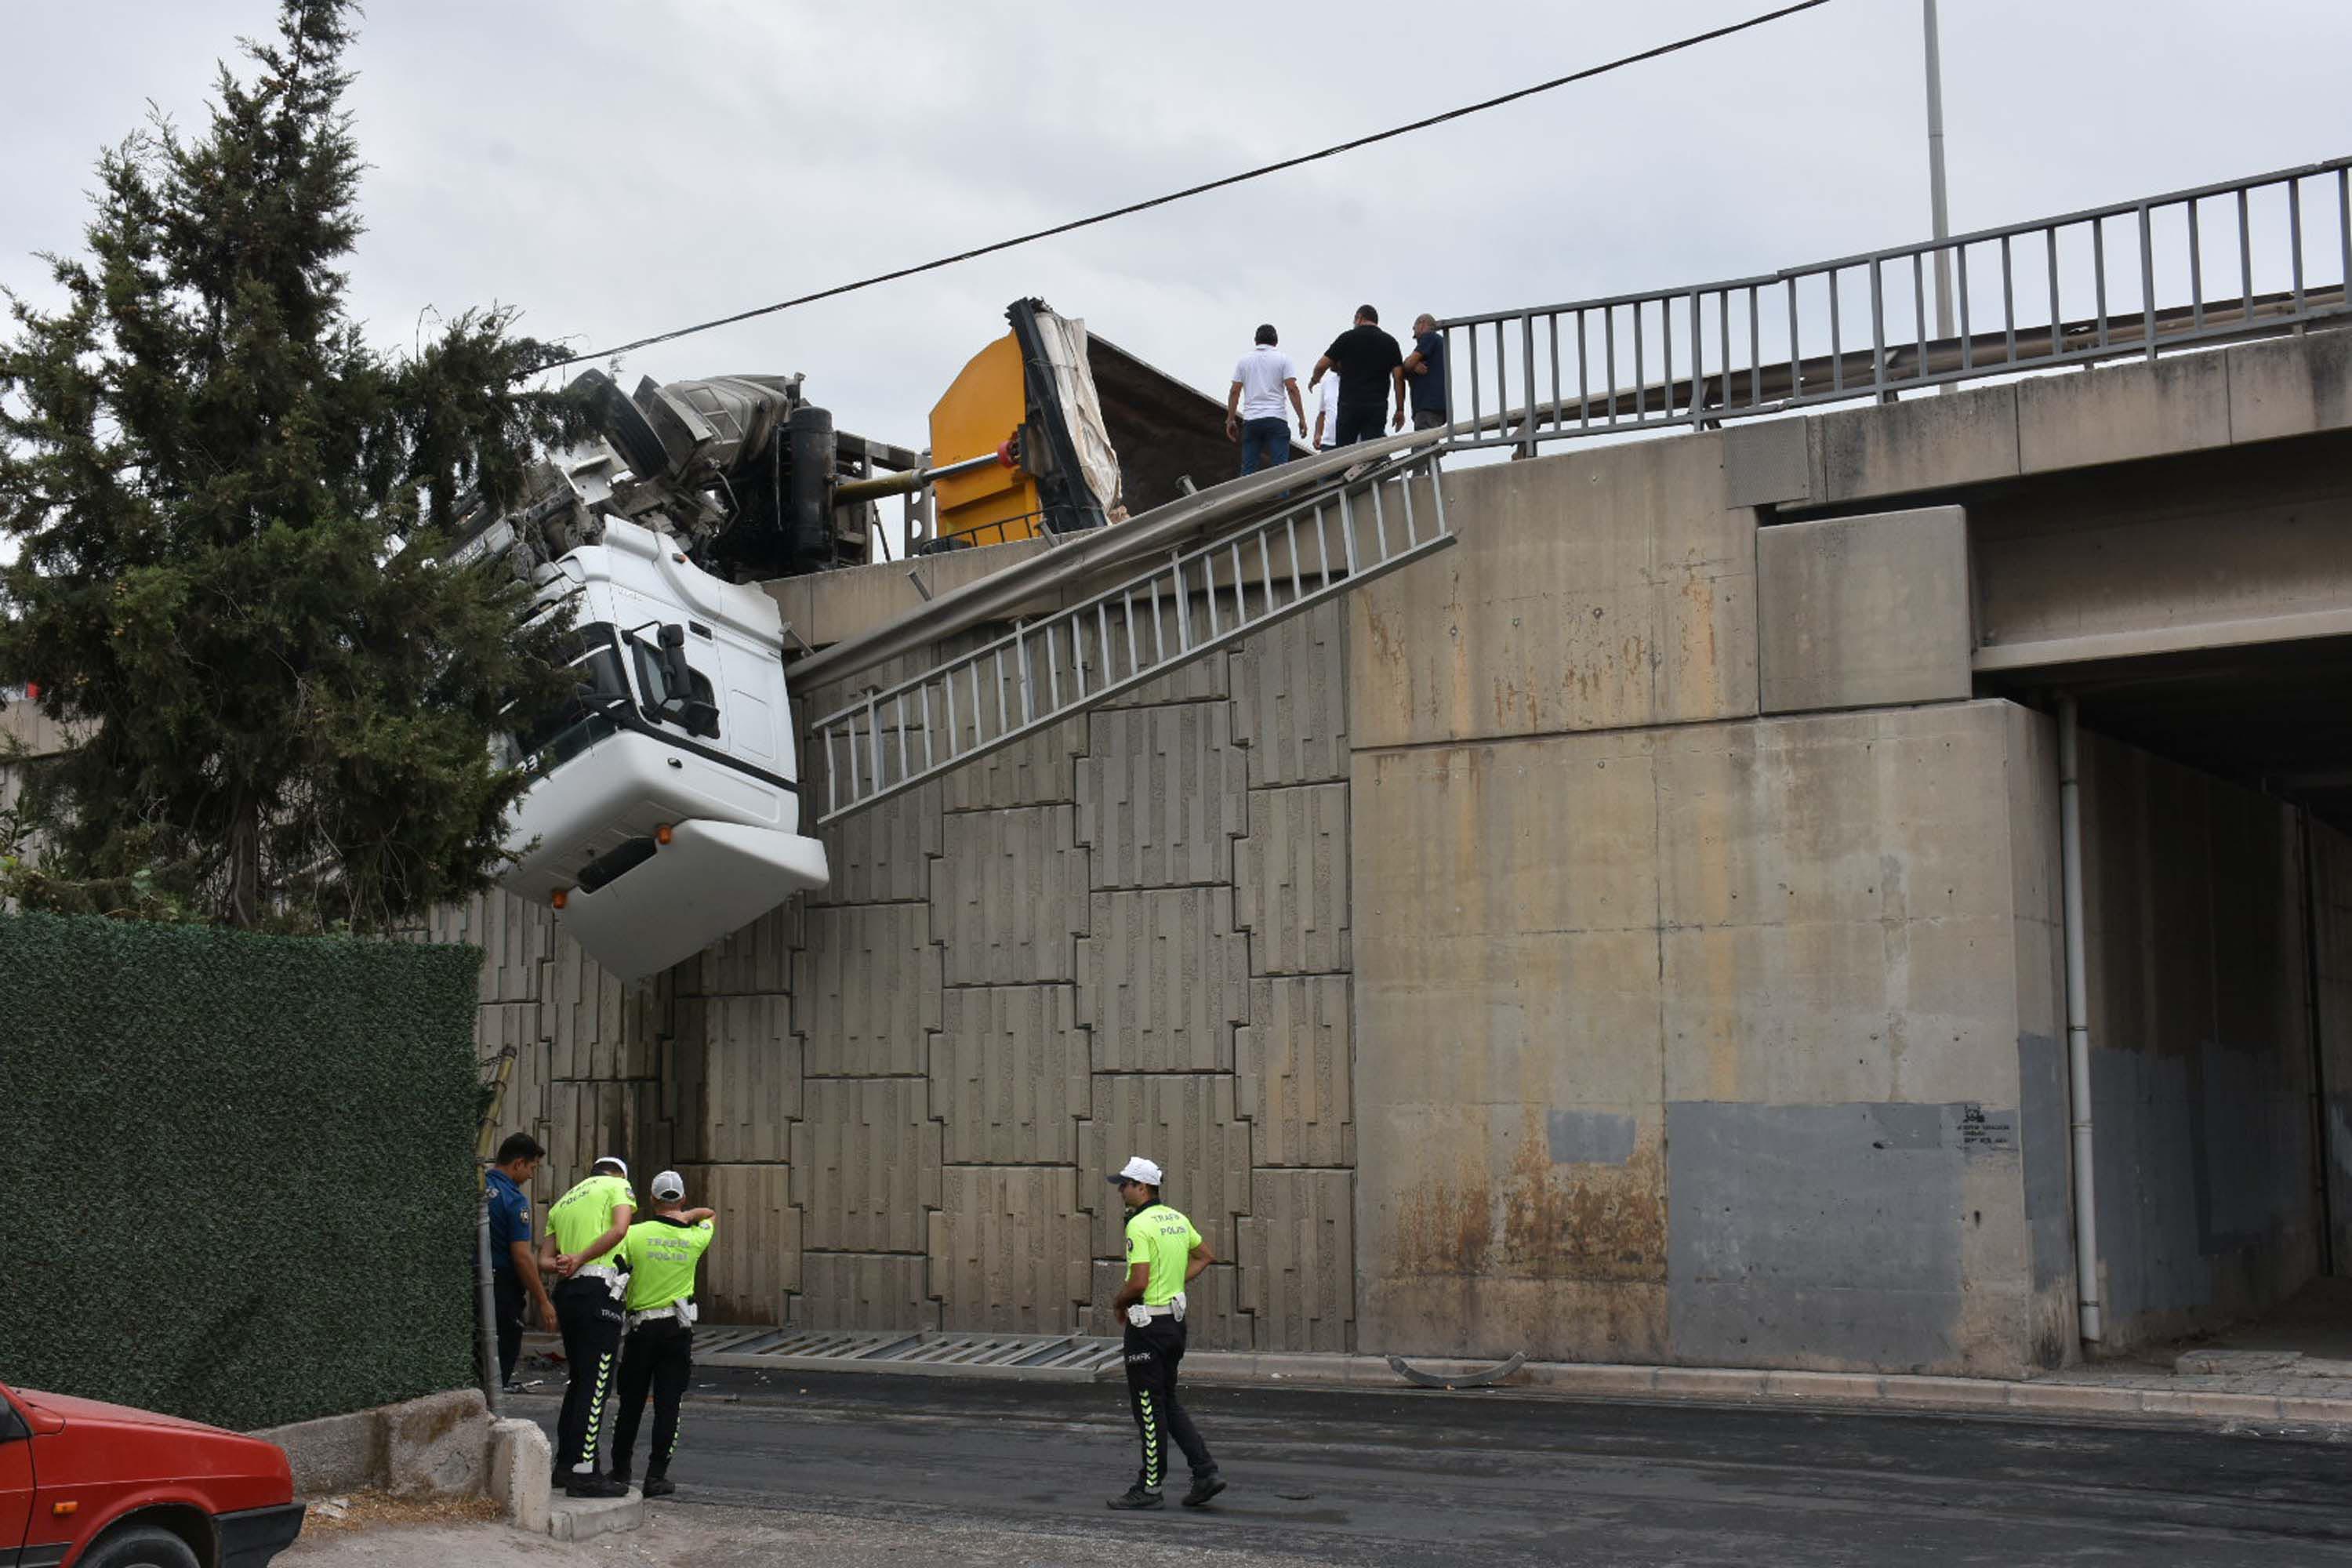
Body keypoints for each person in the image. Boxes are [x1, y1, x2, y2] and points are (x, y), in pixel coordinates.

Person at [1103, 1156, 1225, 1512]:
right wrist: (1173, 1283)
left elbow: (1138, 1280)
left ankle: (1150, 1487)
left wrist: (1119, 1301)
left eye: (1125, 1184)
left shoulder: (1139, 1225)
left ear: (1143, 1187)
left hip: (1147, 1328)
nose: (1121, 1190)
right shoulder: (1176, 1218)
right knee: (1167, 1402)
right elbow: (1205, 1255)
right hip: (1174, 1324)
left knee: (1148, 1407)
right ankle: (1205, 1472)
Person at [610, 1171, 717, 1498]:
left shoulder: (634, 1234)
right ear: (682, 1199)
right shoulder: (696, 1237)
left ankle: (620, 1471)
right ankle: (656, 1476)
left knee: (630, 1403)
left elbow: (617, 1267)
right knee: (669, 1404)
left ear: (652, 1200)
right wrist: (685, 1216)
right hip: (676, 1331)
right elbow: (709, 1214)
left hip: (641, 1329)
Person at [543, 1155, 636, 1497]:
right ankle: (586, 1472)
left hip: (568, 1292)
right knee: (597, 1381)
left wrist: (567, 1262)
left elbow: (544, 1260)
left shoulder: (564, 1201)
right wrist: (581, 1257)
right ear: (620, 1174)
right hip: (600, 1291)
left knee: (579, 1380)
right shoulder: (618, 1186)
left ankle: (565, 1467)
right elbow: (620, 1229)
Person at [485, 1133, 558, 1392]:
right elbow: (522, 1256)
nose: (530, 1175)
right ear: (518, 1164)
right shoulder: (514, 1200)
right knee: (502, 1355)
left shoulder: (477, 1186)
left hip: (473, 1284)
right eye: (531, 1168)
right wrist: (543, 1300)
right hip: (502, 1289)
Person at [1307, 305, 1405, 446]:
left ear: (1359, 318)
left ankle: (1346, 469)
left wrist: (1314, 380)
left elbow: (1321, 365)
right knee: (1372, 455)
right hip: (1376, 406)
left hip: (1349, 405)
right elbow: (1399, 378)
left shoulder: (1347, 338)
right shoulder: (1390, 342)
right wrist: (1400, 409)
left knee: (1344, 454)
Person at [1225, 325, 1307, 476]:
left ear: (1256, 341)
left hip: (1252, 421)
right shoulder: (1283, 359)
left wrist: (1230, 420)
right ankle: (1283, 498)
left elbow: (1235, 391)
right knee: (1281, 469)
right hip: (1276, 420)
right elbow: (1292, 389)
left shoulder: (1244, 362)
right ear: (1276, 341)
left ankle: (1248, 499)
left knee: (1248, 470)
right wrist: (1301, 418)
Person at [1401, 313, 1449, 431]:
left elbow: (1407, 366)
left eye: (1415, 327)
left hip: (1427, 406)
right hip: (1437, 408)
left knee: (1422, 447)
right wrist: (1412, 366)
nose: (1414, 331)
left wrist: (1411, 364)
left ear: (1422, 325)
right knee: (1431, 446)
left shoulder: (1430, 337)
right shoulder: (1440, 344)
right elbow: (1406, 370)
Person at [1312, 368, 1341, 452]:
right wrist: (1318, 434)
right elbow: (1322, 412)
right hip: (1328, 444)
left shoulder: (1358, 381)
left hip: (1352, 443)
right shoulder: (1327, 382)